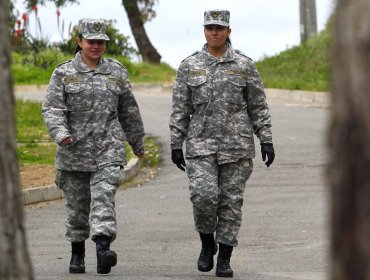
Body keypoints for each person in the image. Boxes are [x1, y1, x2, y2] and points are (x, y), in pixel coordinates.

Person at [169, 9, 275, 278]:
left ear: (229, 31)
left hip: (237, 147)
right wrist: (175, 143)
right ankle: (207, 244)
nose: (214, 32)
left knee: (231, 202)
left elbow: (258, 106)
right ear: (204, 30)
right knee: (203, 196)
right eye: (210, 27)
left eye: (220, 27)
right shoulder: (189, 65)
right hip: (200, 145)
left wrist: (266, 140)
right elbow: (180, 108)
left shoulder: (244, 65)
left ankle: (225, 257)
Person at [42, 18, 145, 275]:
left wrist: (137, 142)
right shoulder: (63, 73)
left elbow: (128, 111)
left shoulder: (117, 72)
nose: (96, 46)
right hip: (73, 151)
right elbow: (52, 108)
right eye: (91, 42)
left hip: (108, 149)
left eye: (100, 42)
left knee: (103, 198)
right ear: (80, 42)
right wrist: (61, 134)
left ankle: (103, 250)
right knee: (77, 208)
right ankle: (77, 254)